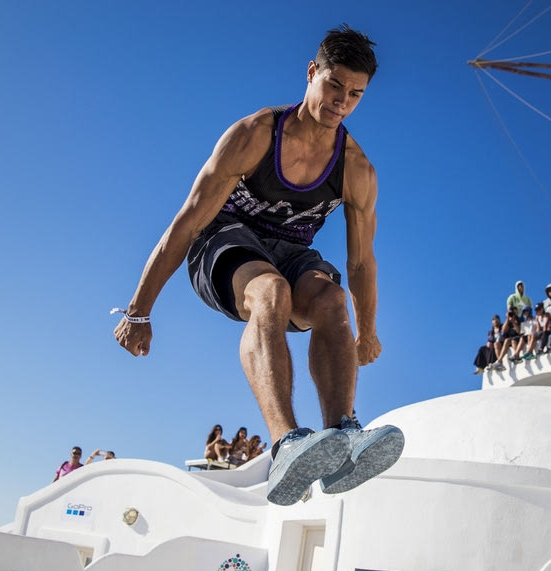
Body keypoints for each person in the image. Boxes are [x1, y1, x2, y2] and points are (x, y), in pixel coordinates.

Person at [113, 26, 403, 506]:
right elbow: (187, 223)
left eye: (355, 94)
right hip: (222, 241)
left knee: (331, 299)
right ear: (311, 73)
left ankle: (342, 438)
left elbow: (360, 262)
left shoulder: (356, 168)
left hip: (290, 251)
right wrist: (138, 310)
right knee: (271, 292)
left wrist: (367, 331)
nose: (341, 102)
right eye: (334, 85)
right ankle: (287, 443)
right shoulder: (255, 135)